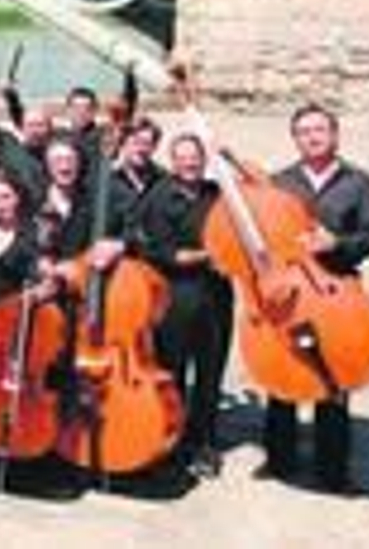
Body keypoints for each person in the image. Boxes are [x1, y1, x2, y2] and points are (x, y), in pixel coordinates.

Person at [262, 103, 369, 494]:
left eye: (319, 130)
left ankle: (332, 469)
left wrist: (337, 243)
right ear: (295, 138)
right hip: (291, 289)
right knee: (281, 370)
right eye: (304, 131)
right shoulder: (279, 182)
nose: (312, 136)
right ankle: (280, 458)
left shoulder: (360, 182)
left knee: (335, 377)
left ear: (335, 135)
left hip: (337, 292)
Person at [136, 133, 232, 480]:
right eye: (182, 158)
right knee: (172, 373)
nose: (190, 163)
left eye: (195, 157)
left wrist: (231, 159)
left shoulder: (217, 195)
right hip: (176, 297)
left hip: (217, 296)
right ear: (173, 162)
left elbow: (256, 199)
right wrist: (211, 255)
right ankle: (169, 444)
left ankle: (204, 444)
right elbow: (162, 252)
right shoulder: (158, 197)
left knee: (210, 375)